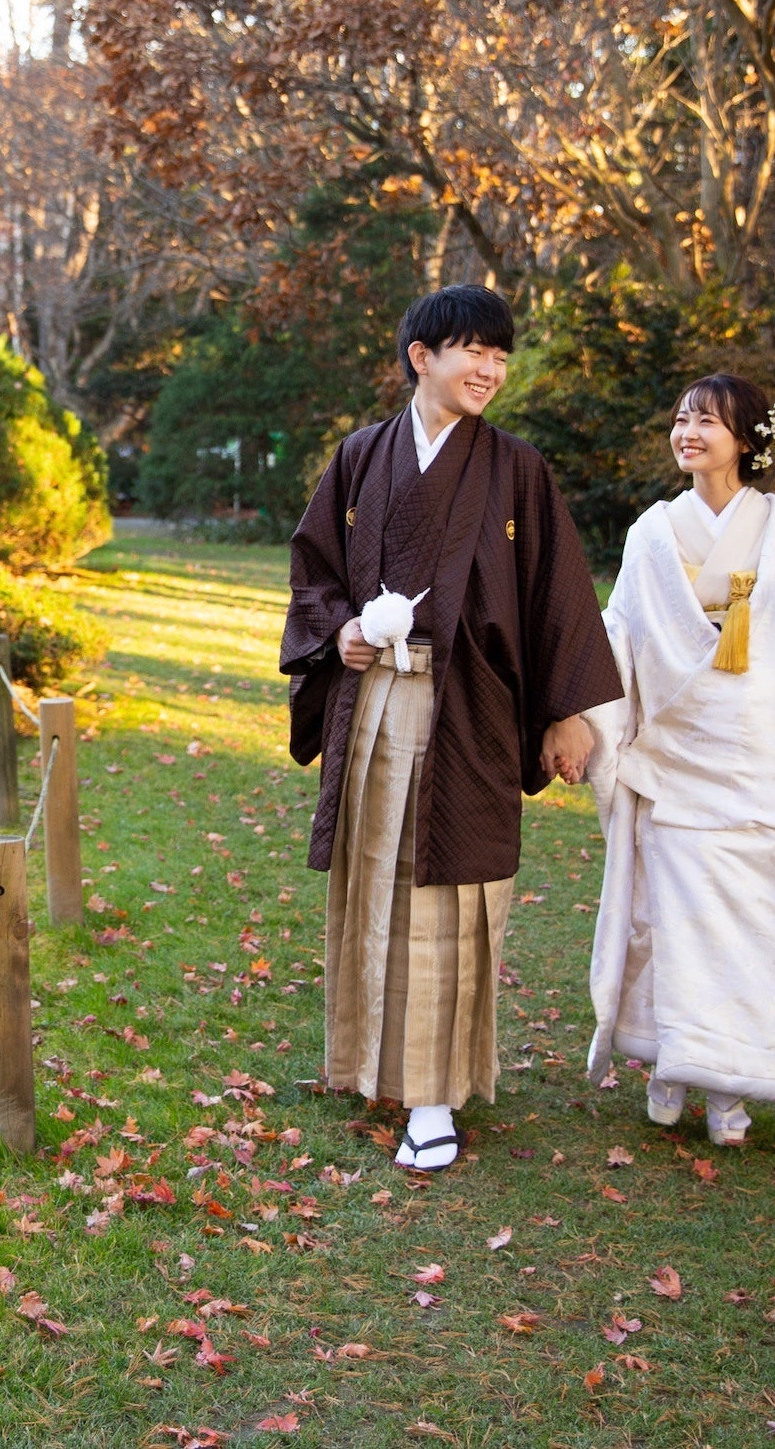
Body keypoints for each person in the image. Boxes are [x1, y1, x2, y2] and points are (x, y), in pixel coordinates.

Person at [282, 285, 622, 1171]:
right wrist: (344, 632)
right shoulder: (362, 458)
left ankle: (433, 1099)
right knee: (375, 882)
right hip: (375, 705)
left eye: (501, 356)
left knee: (445, 898)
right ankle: (371, 1063)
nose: (490, 370)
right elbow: (313, 569)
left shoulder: (516, 469)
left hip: (468, 709)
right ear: (420, 356)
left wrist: (566, 713)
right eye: (473, 351)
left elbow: (558, 596)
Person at [581, 374, 775, 1144]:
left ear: (746, 440)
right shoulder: (654, 530)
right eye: (682, 417)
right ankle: (673, 1065)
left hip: (763, 759)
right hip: (682, 756)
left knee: (759, 932)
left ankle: (730, 1088)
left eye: (708, 421)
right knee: (676, 927)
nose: (689, 432)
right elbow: (622, 628)